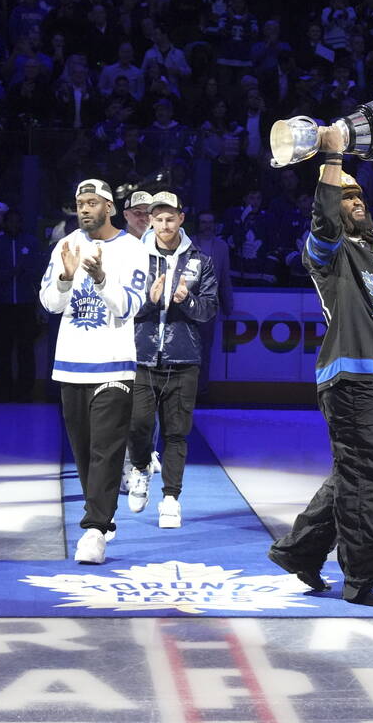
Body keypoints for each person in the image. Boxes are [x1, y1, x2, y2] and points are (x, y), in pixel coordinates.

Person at [267, 130, 373, 608]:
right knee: (367, 478)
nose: (356, 200)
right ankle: (363, 578)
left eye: (359, 194)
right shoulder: (326, 250)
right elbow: (322, 218)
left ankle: (299, 551)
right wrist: (333, 155)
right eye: (346, 196)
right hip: (350, 379)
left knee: (354, 472)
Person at [39, 178, 147, 564]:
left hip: (114, 364)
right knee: (84, 452)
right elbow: (50, 303)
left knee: (106, 448)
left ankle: (94, 530)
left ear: (109, 208)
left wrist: (101, 278)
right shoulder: (64, 246)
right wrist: (67, 277)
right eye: (80, 203)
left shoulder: (133, 249)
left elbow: (129, 306)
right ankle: (103, 516)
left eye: (91, 202)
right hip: (70, 365)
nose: (84, 209)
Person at [125, 191, 217, 528]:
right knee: (138, 426)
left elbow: (209, 310)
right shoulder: (135, 258)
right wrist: (149, 302)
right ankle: (139, 468)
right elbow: (123, 309)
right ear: (150, 220)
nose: (164, 225)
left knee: (177, 433)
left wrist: (186, 300)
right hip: (142, 358)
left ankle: (171, 498)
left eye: (170, 218)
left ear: (181, 218)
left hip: (184, 358)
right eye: (158, 219)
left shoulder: (201, 261)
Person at [0, 207, 43, 402]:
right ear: (4, 223)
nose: (13, 224)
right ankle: (4, 390)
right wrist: (8, 274)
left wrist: (23, 272)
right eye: (9, 221)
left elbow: (38, 270)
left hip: (26, 303)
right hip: (3, 304)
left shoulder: (31, 242)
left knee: (25, 350)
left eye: (16, 221)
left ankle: (25, 391)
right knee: (4, 350)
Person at [191, 209, 234, 401]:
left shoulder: (222, 246)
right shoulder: (188, 242)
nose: (206, 226)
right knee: (188, 348)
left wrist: (228, 304)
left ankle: (202, 389)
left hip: (209, 304)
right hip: (187, 302)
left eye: (210, 222)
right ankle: (187, 390)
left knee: (206, 349)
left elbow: (224, 277)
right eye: (203, 222)